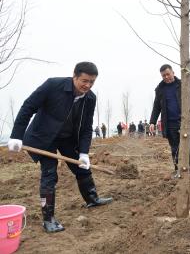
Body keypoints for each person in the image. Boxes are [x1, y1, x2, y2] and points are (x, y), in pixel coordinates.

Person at [7, 62, 113, 233]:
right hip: (44, 138)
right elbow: (28, 107)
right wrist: (16, 135)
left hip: (67, 138)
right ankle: (48, 219)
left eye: (91, 82)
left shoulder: (90, 98)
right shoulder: (53, 85)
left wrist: (84, 152)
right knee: (49, 173)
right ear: (75, 76)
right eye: (84, 80)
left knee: (82, 168)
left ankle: (92, 199)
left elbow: (86, 127)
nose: (87, 85)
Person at [149, 64, 190, 177]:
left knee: (189, 149)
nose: (166, 77)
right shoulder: (160, 89)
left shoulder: (182, 84)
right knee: (175, 150)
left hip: (185, 123)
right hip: (170, 125)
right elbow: (156, 107)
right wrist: (152, 122)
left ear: (173, 73)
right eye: (163, 75)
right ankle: (178, 172)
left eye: (168, 74)